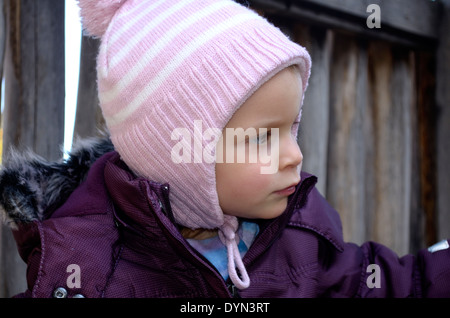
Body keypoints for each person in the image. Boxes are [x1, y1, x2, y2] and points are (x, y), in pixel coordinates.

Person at [1, 0, 449, 298]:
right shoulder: (87, 269)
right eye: (262, 138)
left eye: (291, 129)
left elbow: (388, 283)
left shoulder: (302, 234)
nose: (294, 155)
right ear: (180, 157)